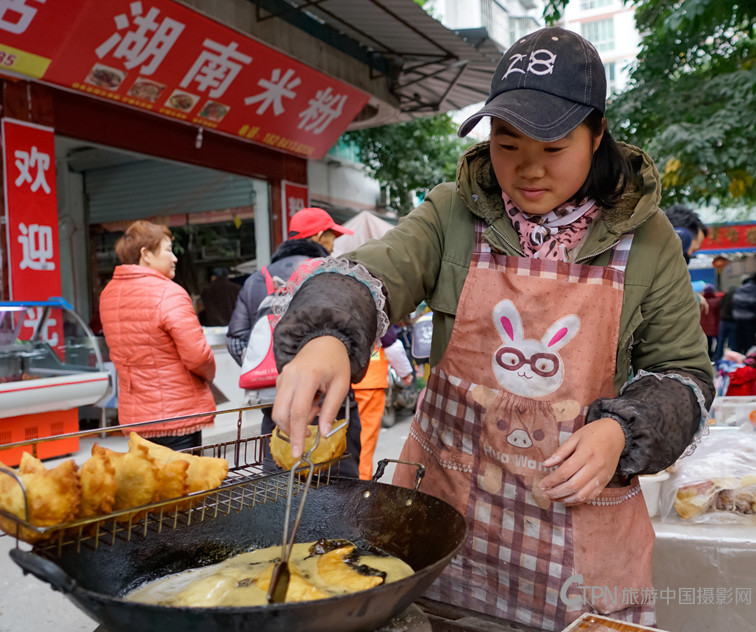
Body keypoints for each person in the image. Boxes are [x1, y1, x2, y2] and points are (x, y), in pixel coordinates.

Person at [268, 27, 714, 630]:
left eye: (553, 148)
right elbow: (372, 273)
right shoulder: (453, 210)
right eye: (507, 143)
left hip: (575, 541)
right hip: (447, 526)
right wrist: (326, 332)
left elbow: (682, 374)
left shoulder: (649, 238)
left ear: (598, 134)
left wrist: (621, 432)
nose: (527, 170)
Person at [226, 206, 364, 477]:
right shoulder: (332, 273)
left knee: (279, 480)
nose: (333, 244)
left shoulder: (257, 279)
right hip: (330, 401)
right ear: (321, 236)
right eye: (332, 237)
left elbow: (235, 338)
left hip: (277, 401)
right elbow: (353, 333)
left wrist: (274, 370)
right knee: (337, 485)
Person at [99, 221, 216, 450]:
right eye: (168, 249)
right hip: (177, 415)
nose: (175, 258)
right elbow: (199, 357)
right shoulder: (169, 293)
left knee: (149, 482)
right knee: (185, 483)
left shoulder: (108, 295)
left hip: (136, 415)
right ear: (146, 255)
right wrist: (210, 374)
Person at [352, 325, 414, 479]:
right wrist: (405, 373)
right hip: (369, 383)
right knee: (365, 438)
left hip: (339, 383)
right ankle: (361, 481)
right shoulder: (375, 311)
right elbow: (392, 345)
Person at [732, 275, 756, 354]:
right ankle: (749, 358)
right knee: (750, 340)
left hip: (738, 319)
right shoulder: (753, 289)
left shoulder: (739, 289)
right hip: (750, 319)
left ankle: (742, 357)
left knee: (740, 340)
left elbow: (734, 302)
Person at [698, 284, 722, 357]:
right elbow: (719, 314)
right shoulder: (717, 301)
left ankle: (708, 355)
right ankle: (715, 356)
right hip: (714, 325)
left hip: (703, 326)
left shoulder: (700, 301)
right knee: (718, 342)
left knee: (707, 342)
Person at [715, 285, 737, 360]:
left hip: (723, 320)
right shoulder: (736, 297)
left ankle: (717, 357)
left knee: (720, 340)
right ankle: (732, 358)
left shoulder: (725, 296)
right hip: (732, 321)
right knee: (732, 341)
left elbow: (720, 305)